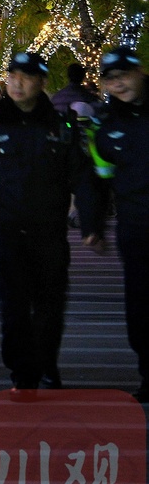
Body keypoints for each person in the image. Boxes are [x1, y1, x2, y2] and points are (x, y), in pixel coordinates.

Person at [0, 51, 100, 394]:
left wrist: (91, 225)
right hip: (6, 230)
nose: (17, 83)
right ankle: (22, 371)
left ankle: (47, 363)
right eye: (12, 76)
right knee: (14, 305)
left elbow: (83, 178)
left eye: (26, 77)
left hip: (49, 230)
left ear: (42, 82)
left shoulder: (62, 127)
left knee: (50, 303)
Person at [86, 46, 149, 398]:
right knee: (140, 305)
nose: (118, 84)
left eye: (123, 75)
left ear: (139, 71)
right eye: (110, 79)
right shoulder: (106, 124)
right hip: (135, 227)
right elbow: (100, 179)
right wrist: (93, 225)